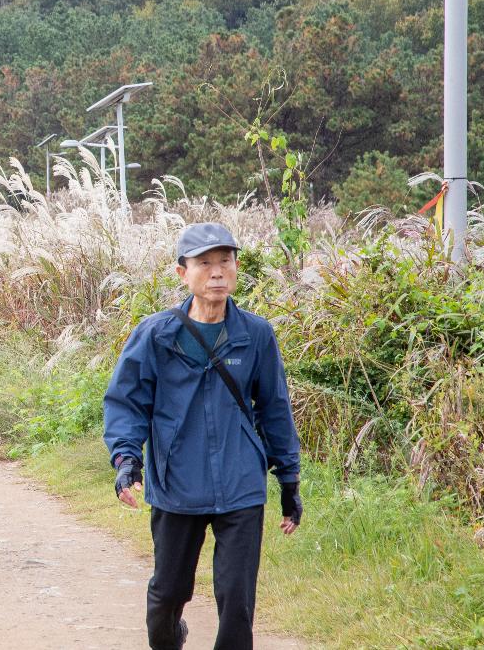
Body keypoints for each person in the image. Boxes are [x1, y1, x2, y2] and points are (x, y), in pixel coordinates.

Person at [103, 223, 302, 650]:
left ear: (236, 268)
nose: (216, 273)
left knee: (236, 599)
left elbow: (275, 410)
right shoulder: (156, 334)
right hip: (177, 484)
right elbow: (126, 403)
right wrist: (126, 461)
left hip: (241, 484)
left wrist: (290, 483)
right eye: (204, 263)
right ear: (182, 273)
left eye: (225, 262)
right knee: (168, 594)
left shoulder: (256, 334)